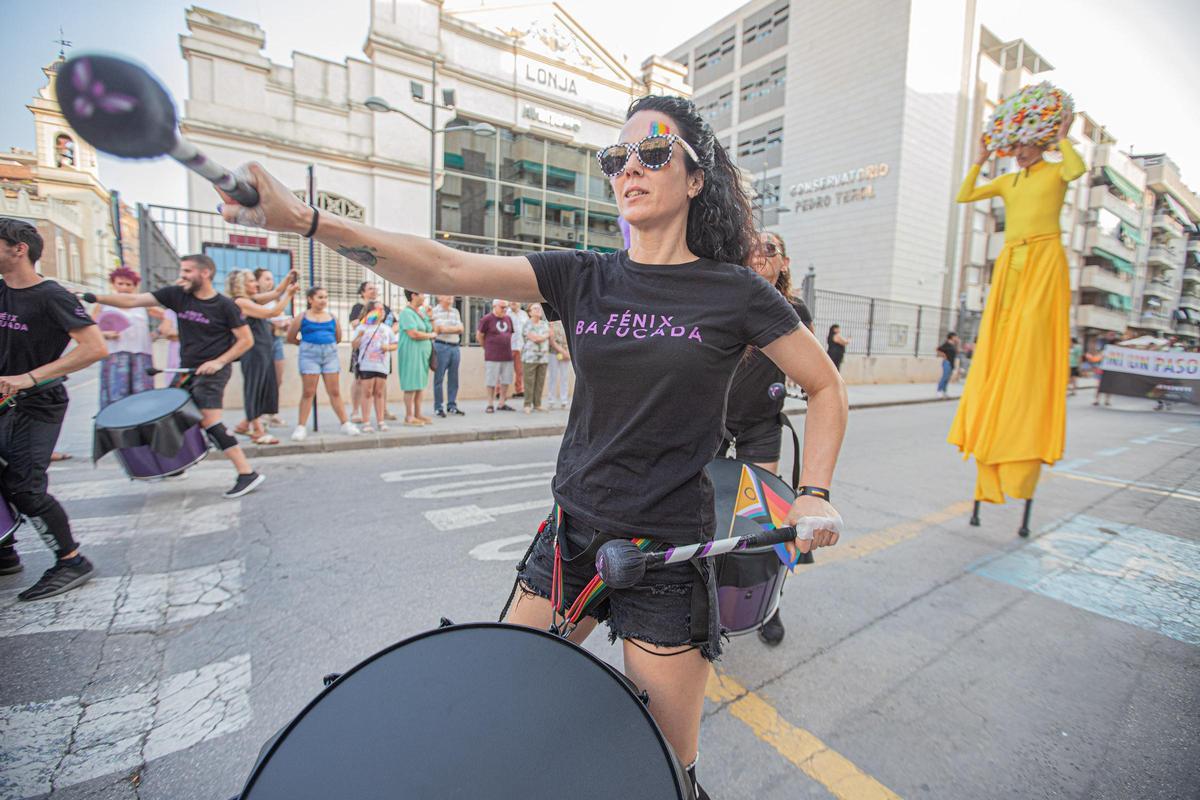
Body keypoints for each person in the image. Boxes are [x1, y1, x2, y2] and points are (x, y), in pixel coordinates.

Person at [215, 94, 846, 798]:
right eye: (617, 158)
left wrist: (813, 492)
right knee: (503, 716)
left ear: (696, 178)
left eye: (655, 152)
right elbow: (445, 271)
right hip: (570, 540)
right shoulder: (586, 276)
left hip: (669, 555)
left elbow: (825, 388)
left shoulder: (736, 294)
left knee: (668, 773)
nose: (630, 168)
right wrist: (304, 220)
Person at [951, 106, 1084, 504]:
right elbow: (966, 194)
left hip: (1044, 259)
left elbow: (1076, 170)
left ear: (1041, 141)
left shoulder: (1057, 171)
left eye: (1029, 144)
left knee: (1029, 340)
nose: (1022, 152)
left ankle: (1022, 433)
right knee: (1001, 339)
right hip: (1011, 262)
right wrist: (981, 158)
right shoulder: (1009, 181)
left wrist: (1062, 137)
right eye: (1017, 145)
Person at [85, 254, 266, 499]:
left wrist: (218, 361)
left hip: (214, 372)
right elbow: (133, 300)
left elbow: (246, 340)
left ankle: (247, 473)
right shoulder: (177, 296)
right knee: (174, 415)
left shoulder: (226, 306)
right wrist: (94, 297)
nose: (182, 277)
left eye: (187, 272)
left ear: (205, 273)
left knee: (210, 421)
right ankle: (177, 465)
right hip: (186, 369)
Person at [0, 218, 107, 600]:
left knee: (25, 486)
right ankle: (6, 551)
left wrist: (30, 377)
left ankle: (71, 561)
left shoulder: (52, 295)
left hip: (37, 403)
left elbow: (94, 348)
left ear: (19, 248)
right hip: (4, 401)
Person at [720, 230, 814, 646]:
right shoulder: (727, 295)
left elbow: (810, 370)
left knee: (766, 518)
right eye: (750, 247)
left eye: (769, 248)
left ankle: (769, 604)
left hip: (762, 423)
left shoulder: (793, 310)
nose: (758, 253)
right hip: (713, 422)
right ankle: (705, 595)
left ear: (784, 263)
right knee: (708, 512)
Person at [227, 269, 297, 444]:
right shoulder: (241, 302)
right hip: (253, 350)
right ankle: (257, 430)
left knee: (265, 386)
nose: (256, 284)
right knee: (255, 388)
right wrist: (289, 295)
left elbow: (275, 293)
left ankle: (244, 425)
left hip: (263, 349)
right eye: (251, 281)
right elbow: (271, 313)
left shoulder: (251, 299)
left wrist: (287, 280)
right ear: (241, 284)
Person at [287, 285, 359, 440]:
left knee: (334, 391)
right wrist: (306, 345)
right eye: (320, 297)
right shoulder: (302, 316)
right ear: (310, 299)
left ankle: (345, 423)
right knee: (308, 392)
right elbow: (291, 336)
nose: (323, 300)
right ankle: (301, 426)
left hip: (330, 355)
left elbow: (338, 337)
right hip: (309, 356)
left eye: (325, 297)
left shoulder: (332, 317)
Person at [94, 266, 158, 408]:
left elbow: (167, 317)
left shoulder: (142, 304)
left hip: (141, 354)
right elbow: (90, 328)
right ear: (113, 284)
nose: (124, 288)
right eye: (120, 284)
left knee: (141, 394)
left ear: (135, 286)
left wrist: (156, 334)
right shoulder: (104, 304)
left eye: (128, 284)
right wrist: (106, 334)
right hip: (115, 355)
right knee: (116, 394)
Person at [348, 281, 396, 423]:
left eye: (375, 289)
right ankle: (356, 411)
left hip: (382, 350)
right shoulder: (358, 307)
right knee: (358, 380)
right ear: (362, 292)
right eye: (370, 289)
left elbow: (395, 323)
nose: (374, 291)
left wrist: (385, 334)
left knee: (381, 380)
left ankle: (384, 410)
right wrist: (371, 320)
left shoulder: (384, 308)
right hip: (363, 351)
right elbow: (355, 324)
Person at [254, 268, 289, 425]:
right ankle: (258, 414)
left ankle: (272, 411)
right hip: (261, 341)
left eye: (271, 279)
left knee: (277, 379)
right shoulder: (254, 299)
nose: (270, 282)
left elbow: (278, 314)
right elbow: (269, 315)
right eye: (267, 279)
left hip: (277, 340)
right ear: (258, 281)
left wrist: (285, 323)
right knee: (261, 378)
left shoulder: (275, 300)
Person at [398, 289, 435, 426]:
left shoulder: (422, 312)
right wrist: (430, 336)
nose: (424, 297)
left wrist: (431, 317)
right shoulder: (406, 313)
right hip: (411, 351)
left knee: (420, 384)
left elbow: (432, 329)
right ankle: (409, 416)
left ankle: (418, 414)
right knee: (411, 384)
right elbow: (413, 333)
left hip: (423, 353)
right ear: (413, 295)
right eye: (422, 294)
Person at [477, 299, 516, 413]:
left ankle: (502, 402)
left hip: (507, 355)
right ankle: (490, 403)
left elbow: (510, 334)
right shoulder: (487, 319)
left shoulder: (508, 319)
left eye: (506, 307)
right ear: (494, 306)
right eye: (502, 307)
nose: (504, 309)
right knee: (491, 380)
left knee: (506, 380)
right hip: (492, 356)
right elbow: (479, 336)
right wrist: (486, 347)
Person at [431, 295, 465, 417]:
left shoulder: (455, 311)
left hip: (455, 346)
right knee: (439, 378)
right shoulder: (434, 312)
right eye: (447, 295)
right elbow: (438, 329)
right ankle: (438, 406)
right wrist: (453, 329)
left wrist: (447, 329)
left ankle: (452, 405)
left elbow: (461, 329)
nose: (450, 297)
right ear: (439, 297)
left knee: (454, 378)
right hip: (441, 346)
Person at [521, 302, 551, 413]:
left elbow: (549, 334)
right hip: (530, 357)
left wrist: (541, 337)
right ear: (530, 312)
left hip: (543, 357)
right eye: (535, 308)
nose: (538, 310)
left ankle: (537, 404)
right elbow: (534, 338)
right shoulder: (527, 324)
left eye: (539, 308)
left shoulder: (544, 324)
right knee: (529, 382)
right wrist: (542, 336)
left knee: (540, 382)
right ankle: (527, 404)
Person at [546, 318, 571, 410]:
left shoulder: (567, 321)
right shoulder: (551, 322)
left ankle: (564, 400)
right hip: (553, 353)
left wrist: (567, 352)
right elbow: (551, 340)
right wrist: (563, 351)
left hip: (566, 352)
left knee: (564, 377)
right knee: (553, 377)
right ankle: (551, 400)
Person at [508, 300, 529, 398]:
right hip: (508, 346)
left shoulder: (524, 314)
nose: (513, 302)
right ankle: (499, 391)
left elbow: (528, 329)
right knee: (505, 369)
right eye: (511, 301)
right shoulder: (506, 313)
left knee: (520, 371)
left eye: (516, 301)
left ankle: (519, 390)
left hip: (521, 346)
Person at [936, 332, 959, 399]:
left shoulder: (953, 345)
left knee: (947, 379)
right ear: (952, 337)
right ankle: (939, 391)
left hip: (951, 363)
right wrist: (943, 355)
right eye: (956, 337)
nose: (957, 338)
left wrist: (958, 343)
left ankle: (944, 391)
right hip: (947, 363)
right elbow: (938, 349)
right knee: (944, 377)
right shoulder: (947, 344)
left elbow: (957, 352)